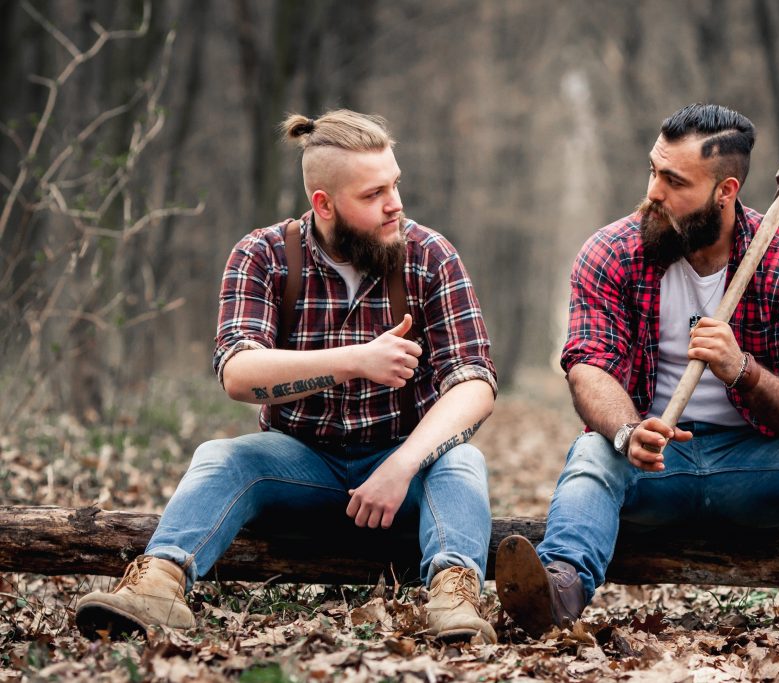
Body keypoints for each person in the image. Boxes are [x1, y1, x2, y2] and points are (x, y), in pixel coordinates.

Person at [495, 103, 779, 661]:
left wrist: (743, 370)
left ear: (725, 190)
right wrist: (626, 431)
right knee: (593, 453)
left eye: (674, 181)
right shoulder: (612, 253)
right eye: (653, 171)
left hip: (756, 468)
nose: (653, 193)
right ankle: (555, 593)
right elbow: (588, 364)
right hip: (655, 462)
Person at [75, 109, 498, 643]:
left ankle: (453, 601)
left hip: (402, 464)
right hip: (300, 465)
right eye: (372, 195)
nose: (395, 204)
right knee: (222, 456)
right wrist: (354, 360)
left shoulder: (429, 256)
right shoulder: (265, 255)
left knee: (462, 461)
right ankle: (156, 587)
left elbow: (475, 381)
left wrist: (404, 464)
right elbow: (238, 373)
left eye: (394, 184)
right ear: (323, 203)